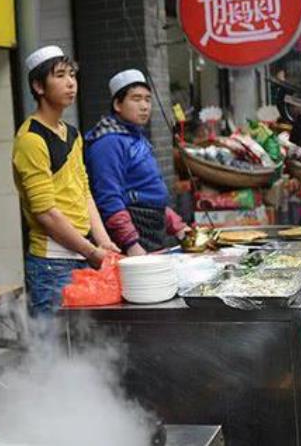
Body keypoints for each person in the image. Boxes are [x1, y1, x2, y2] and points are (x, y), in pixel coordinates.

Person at [12, 45, 120, 317]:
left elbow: (84, 191)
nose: (71, 83)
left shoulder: (71, 134)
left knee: (80, 348)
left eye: (72, 75)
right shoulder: (31, 139)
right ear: (38, 86)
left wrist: (103, 242)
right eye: (60, 76)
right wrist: (93, 252)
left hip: (81, 254)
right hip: (51, 264)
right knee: (54, 350)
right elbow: (46, 213)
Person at [85, 69, 188, 255]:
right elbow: (108, 198)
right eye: (136, 99)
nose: (144, 106)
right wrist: (131, 244)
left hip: (152, 229)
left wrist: (178, 226)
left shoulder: (136, 137)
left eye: (148, 99)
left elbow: (146, 191)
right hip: (133, 232)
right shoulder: (108, 142)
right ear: (117, 104)